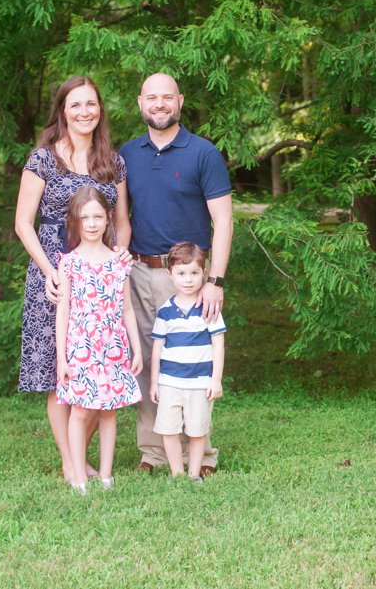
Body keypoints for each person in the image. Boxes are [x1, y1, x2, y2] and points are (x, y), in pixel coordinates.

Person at [15, 76, 130, 484]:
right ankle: (70, 463)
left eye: (91, 104)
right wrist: (50, 271)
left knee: (98, 367)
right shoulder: (43, 158)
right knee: (59, 372)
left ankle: (79, 453)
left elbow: (122, 223)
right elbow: (23, 223)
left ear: (100, 109)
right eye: (75, 105)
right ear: (62, 111)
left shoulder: (113, 162)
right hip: (55, 274)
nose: (84, 112)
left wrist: (119, 259)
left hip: (101, 279)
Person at [120, 73, 233, 476]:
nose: (159, 104)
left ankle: (201, 456)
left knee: (195, 363)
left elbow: (224, 221)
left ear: (180, 101)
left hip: (189, 278)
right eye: (152, 97)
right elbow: (120, 218)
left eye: (167, 97)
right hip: (139, 271)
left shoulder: (203, 153)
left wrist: (215, 281)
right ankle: (153, 452)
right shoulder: (127, 154)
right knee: (148, 362)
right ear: (140, 103)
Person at [55, 186, 143, 493]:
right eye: (84, 218)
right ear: (75, 221)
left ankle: (106, 475)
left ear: (108, 218)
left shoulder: (119, 261)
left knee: (108, 411)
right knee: (80, 410)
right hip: (81, 347)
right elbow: (63, 312)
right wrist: (62, 359)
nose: (91, 224)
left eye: (97, 217)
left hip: (113, 347)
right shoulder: (69, 263)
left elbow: (127, 308)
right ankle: (79, 476)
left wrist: (136, 349)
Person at [149, 242, 225, 481]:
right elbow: (157, 348)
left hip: (199, 383)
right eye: (181, 273)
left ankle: (194, 474)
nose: (188, 279)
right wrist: (154, 383)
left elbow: (218, 344)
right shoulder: (165, 311)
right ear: (170, 274)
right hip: (169, 383)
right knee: (169, 430)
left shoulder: (208, 309)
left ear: (204, 273)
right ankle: (177, 474)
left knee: (197, 430)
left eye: (194, 273)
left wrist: (216, 380)